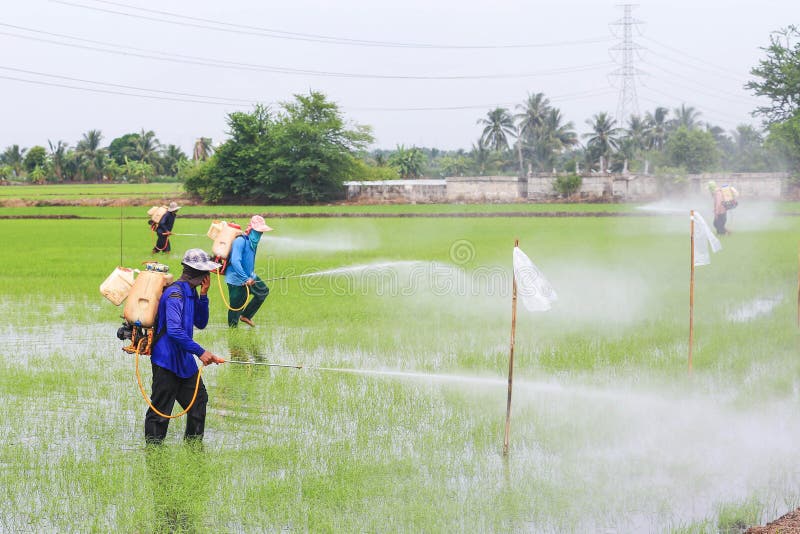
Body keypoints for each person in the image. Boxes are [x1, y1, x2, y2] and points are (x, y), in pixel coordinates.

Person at [144, 248, 225, 445]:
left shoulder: (191, 292)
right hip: (166, 360)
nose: (209, 276)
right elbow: (174, 331)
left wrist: (204, 295)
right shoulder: (175, 294)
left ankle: (194, 447)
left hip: (184, 361)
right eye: (206, 272)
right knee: (161, 411)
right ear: (199, 274)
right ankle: (154, 452)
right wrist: (201, 352)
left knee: (198, 401)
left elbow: (201, 322)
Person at [225, 215, 272, 328]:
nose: (260, 234)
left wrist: (249, 277)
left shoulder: (253, 244)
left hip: (250, 277)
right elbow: (235, 261)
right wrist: (245, 279)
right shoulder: (240, 241)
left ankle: (246, 316)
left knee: (263, 291)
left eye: (262, 232)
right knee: (236, 308)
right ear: (251, 229)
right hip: (237, 280)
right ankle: (233, 333)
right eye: (258, 231)